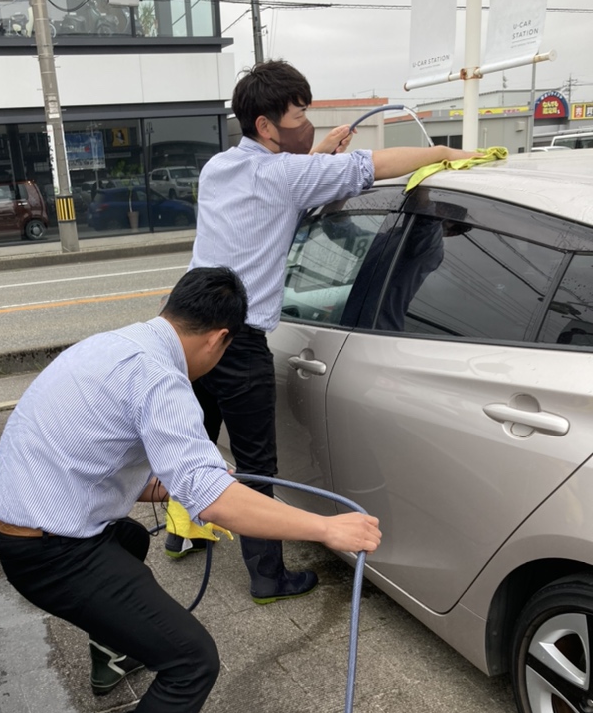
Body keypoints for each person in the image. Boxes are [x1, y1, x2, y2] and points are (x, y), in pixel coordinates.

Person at [0, 266, 380, 713]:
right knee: (192, 659)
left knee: (130, 541)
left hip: (27, 525)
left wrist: (155, 489)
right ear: (220, 338)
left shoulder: (117, 344)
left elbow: (85, 450)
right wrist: (326, 528)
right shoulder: (160, 378)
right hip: (49, 553)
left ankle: (111, 655)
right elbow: (215, 498)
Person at [166, 59, 473, 605]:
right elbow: (373, 165)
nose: (307, 119)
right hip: (235, 342)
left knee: (194, 440)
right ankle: (267, 578)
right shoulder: (289, 175)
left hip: (185, 328)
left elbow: (281, 180)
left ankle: (179, 531)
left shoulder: (219, 168)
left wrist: (313, 152)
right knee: (257, 465)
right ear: (266, 125)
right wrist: (445, 153)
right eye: (299, 111)